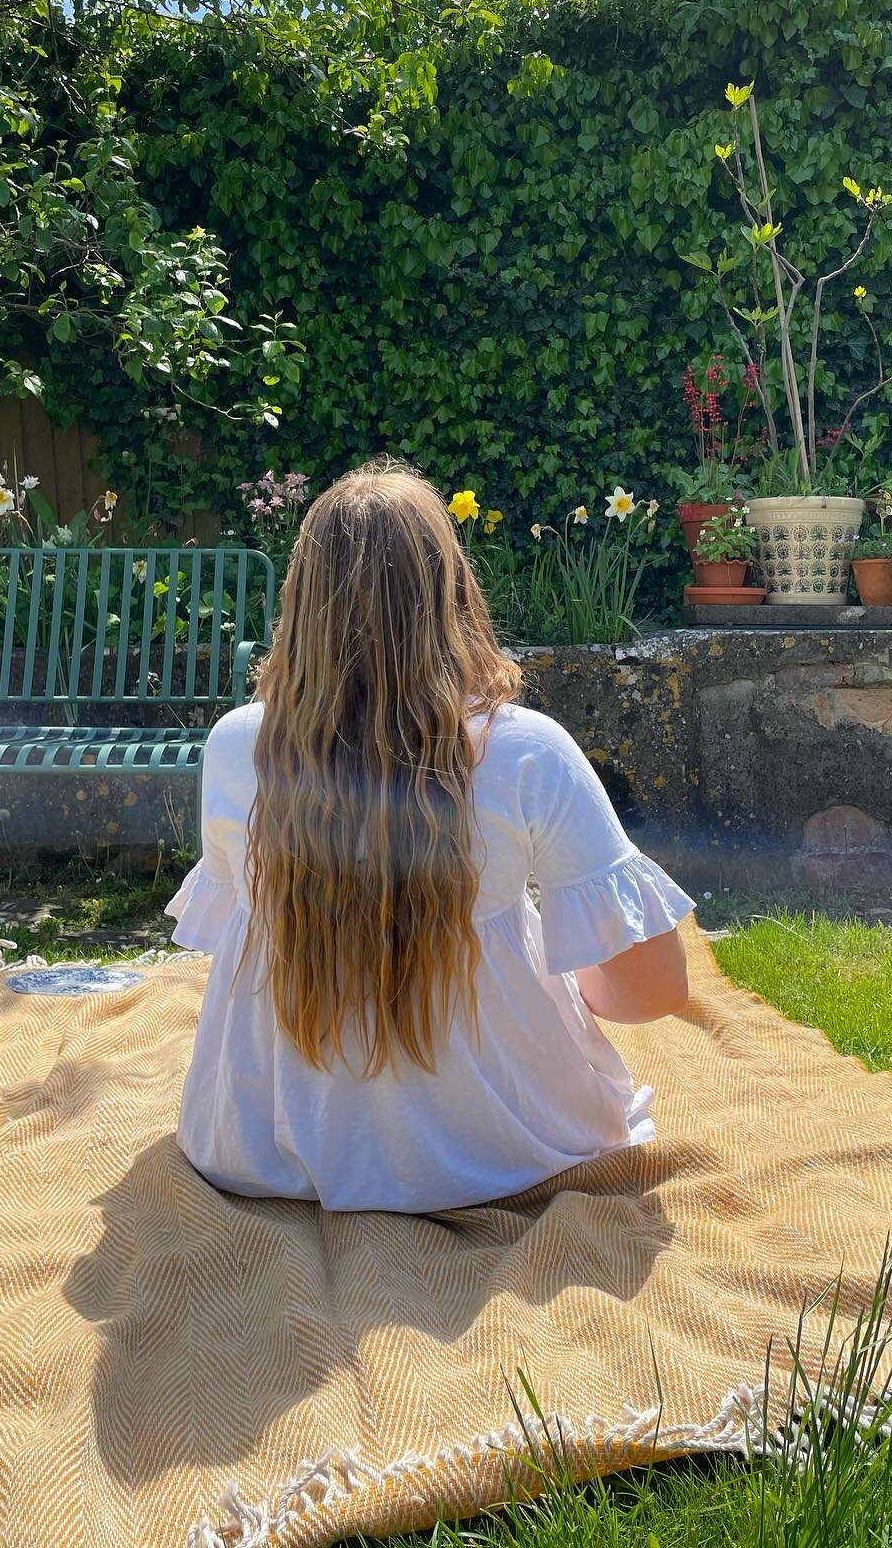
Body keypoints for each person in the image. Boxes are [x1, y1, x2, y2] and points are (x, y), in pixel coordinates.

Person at [166, 460, 694, 1212]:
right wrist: (559, 975)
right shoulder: (527, 752)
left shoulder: (234, 746)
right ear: (452, 591)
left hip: (255, 1149)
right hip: (497, 1153)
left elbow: (237, 941)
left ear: (301, 598)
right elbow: (654, 990)